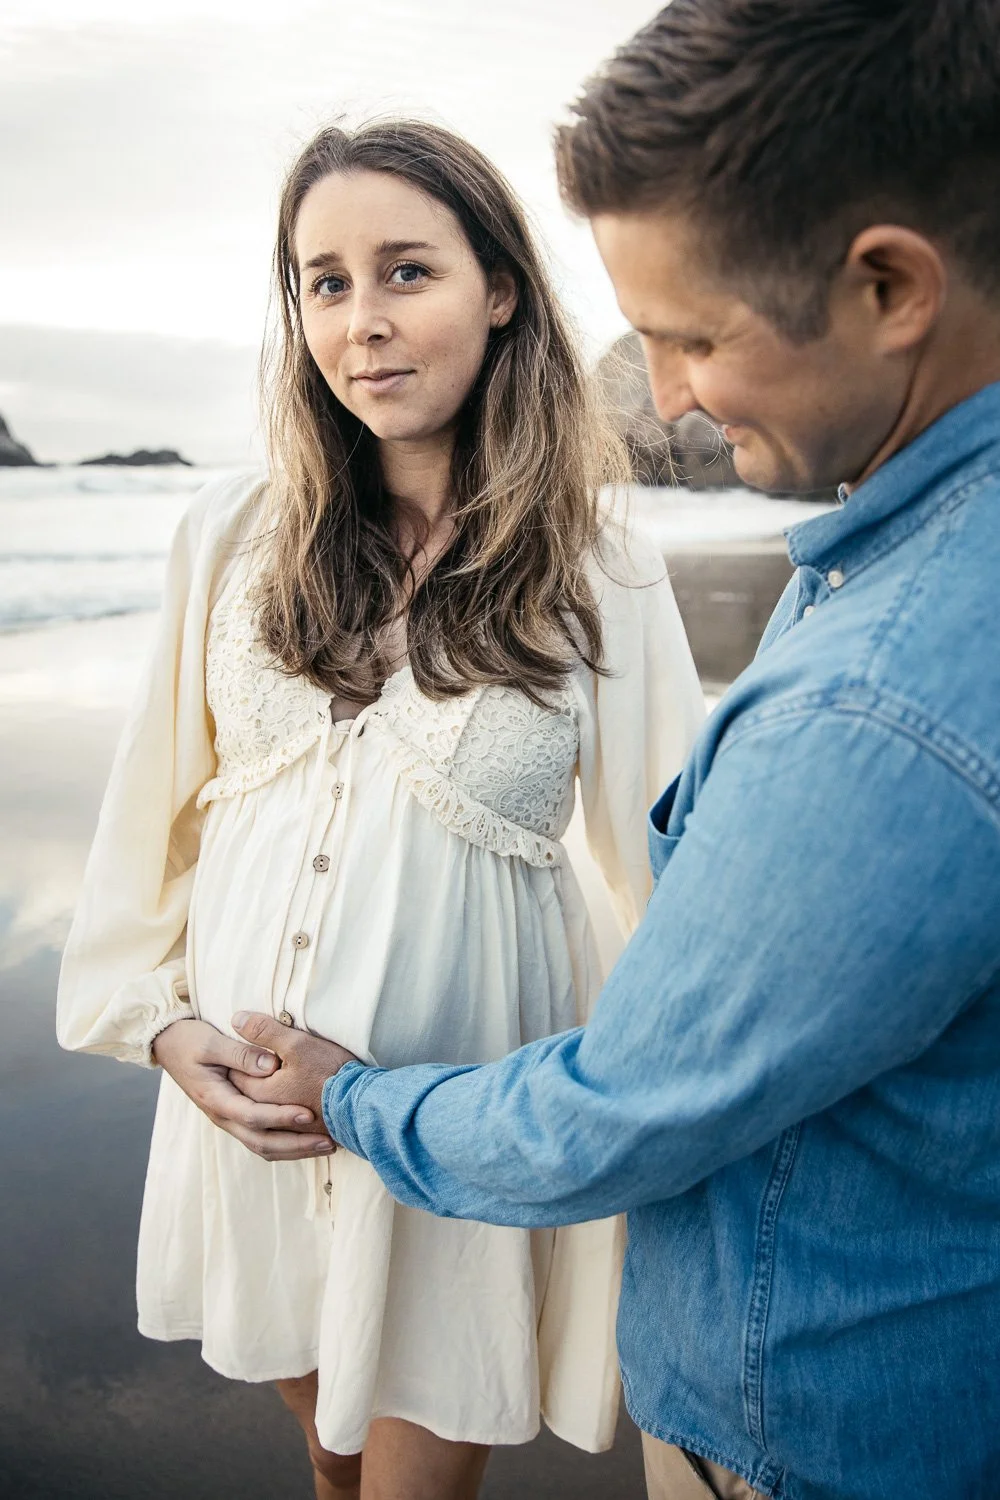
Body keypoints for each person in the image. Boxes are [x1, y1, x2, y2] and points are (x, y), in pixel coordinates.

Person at [227, 5, 1000, 1499]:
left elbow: (634, 1094)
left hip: (808, 1425)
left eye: (694, 335)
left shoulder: (875, 697)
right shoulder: (880, 574)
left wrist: (352, 1098)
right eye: (324, 282)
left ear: (892, 284)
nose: (667, 396)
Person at [56, 119, 704, 1500]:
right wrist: (163, 1030)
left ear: (501, 290)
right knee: (329, 1466)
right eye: (324, 281)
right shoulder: (232, 536)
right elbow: (144, 831)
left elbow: (678, 868)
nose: (362, 322)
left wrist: (671, 1124)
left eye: (407, 271)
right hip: (249, 1125)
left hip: (454, 1130)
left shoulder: (596, 565)